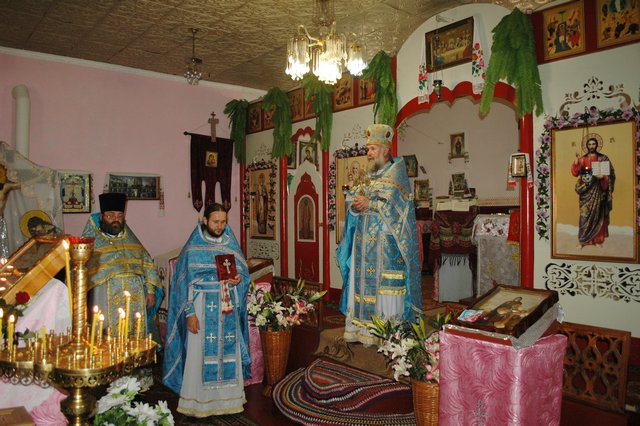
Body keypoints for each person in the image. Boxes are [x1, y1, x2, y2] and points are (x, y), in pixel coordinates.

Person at [337, 124, 422, 345]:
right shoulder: (369, 176)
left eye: (372, 149)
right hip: (363, 245)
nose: (369, 153)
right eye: (368, 149)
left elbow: (398, 210)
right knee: (361, 285)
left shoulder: (396, 176)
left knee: (384, 288)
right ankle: (360, 330)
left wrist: (371, 203)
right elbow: (354, 205)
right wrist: (355, 206)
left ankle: (385, 333)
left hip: (386, 245)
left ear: (385, 150)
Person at [163, 203, 251, 417]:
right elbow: (183, 285)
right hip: (201, 307)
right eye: (215, 221)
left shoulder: (230, 243)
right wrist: (190, 313)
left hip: (227, 306)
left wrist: (237, 280)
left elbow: (242, 274)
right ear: (205, 221)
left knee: (228, 351)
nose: (220, 226)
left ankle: (229, 401)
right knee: (198, 355)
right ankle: (198, 403)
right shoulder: (193, 248)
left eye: (223, 222)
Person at [82, 193, 163, 339]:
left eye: (119, 216)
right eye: (110, 215)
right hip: (104, 297)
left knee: (135, 335)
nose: (116, 219)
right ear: (101, 217)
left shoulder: (131, 241)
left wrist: (150, 291)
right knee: (107, 336)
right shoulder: (92, 243)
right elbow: (82, 273)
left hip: (135, 300)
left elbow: (147, 265)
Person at [570, 134, 615, 248]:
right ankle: (582, 241)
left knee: (598, 215)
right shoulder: (583, 159)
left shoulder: (603, 158)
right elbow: (575, 173)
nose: (591, 146)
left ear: (597, 145)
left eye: (593, 144)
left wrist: (603, 177)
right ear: (586, 146)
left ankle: (597, 240)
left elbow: (610, 175)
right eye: (589, 144)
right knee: (584, 216)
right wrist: (576, 161)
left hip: (598, 190)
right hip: (586, 191)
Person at [0, 164, 20, 258]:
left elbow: (22, 184)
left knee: (2, 247)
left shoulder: (5, 187)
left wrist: (40, 177)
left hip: (0, 220)